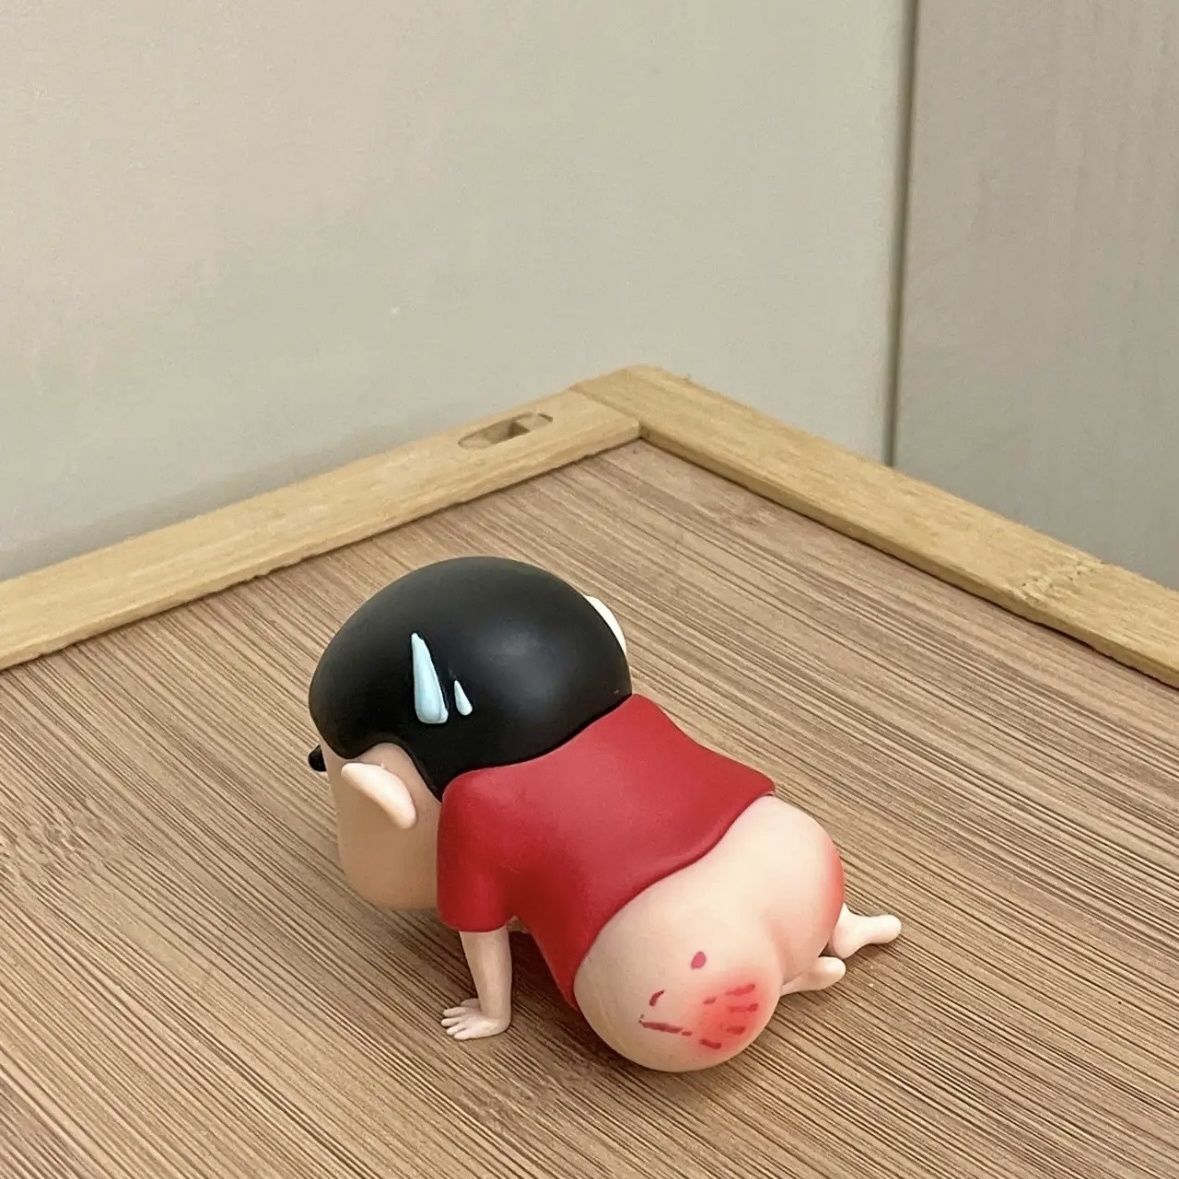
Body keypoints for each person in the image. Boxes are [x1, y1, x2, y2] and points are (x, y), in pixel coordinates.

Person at [308, 556, 900, 1071]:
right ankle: (837, 932)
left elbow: (480, 931)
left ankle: (787, 980)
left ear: (384, 795)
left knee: (646, 1000)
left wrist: (493, 1012)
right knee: (788, 843)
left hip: (686, 973)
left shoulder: (477, 805)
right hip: (801, 864)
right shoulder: (637, 714)